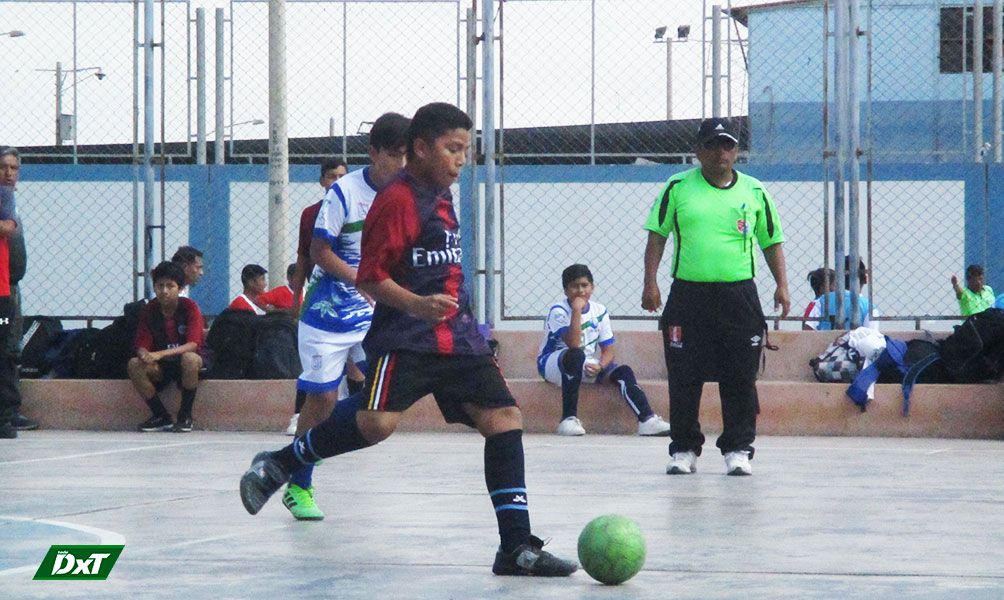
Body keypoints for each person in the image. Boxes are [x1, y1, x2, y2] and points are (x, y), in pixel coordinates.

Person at [239, 102, 578, 577]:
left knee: (504, 418)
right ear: (420, 149)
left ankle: (516, 547)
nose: (462, 159)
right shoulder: (396, 201)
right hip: (408, 336)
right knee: (376, 424)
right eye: (452, 149)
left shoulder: (441, 195)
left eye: (467, 150)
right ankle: (278, 463)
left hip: (457, 338)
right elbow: (371, 279)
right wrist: (417, 305)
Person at [641, 117, 790, 477]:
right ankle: (684, 449)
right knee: (684, 375)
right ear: (698, 151)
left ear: (736, 151)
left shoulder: (754, 192)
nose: (721, 152)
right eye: (713, 145)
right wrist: (651, 281)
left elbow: (771, 241)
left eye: (728, 145)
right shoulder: (677, 187)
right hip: (688, 294)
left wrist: (782, 285)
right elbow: (657, 236)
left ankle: (738, 449)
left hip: (739, 295)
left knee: (740, 375)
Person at [281, 112, 409, 520]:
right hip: (328, 312)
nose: (402, 165)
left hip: (375, 312)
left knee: (381, 395)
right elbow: (320, 252)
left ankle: (299, 454)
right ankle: (297, 483)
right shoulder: (344, 194)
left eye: (409, 156)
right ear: (373, 154)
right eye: (395, 156)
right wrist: (362, 279)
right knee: (321, 397)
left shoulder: (412, 195)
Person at [538, 263, 670, 437]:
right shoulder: (559, 311)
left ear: (592, 287)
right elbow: (573, 343)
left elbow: (608, 350)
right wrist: (576, 310)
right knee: (575, 355)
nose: (580, 290)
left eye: (584, 285)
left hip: (583, 361)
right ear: (565, 290)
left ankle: (647, 420)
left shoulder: (600, 311)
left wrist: (600, 366)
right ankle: (568, 419)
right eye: (574, 286)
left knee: (623, 371)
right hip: (553, 363)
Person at [285, 157, 352, 436]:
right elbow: (304, 256)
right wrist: (296, 295)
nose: (337, 181)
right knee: (316, 367)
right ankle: (299, 415)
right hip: (322, 296)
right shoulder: (312, 213)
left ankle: (351, 418)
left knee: (359, 366)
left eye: (342, 176)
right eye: (332, 177)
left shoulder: (357, 208)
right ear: (322, 181)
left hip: (355, 294)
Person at [128, 261, 206, 433]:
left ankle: (185, 416)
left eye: (170, 286)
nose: (164, 291)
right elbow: (142, 344)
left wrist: (159, 354)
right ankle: (161, 416)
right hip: (162, 367)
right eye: (159, 286)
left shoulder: (190, 308)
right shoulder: (150, 310)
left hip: (184, 364)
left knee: (190, 359)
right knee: (134, 364)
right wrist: (144, 354)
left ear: (179, 288)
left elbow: (193, 345)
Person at [1, 146, 37, 434]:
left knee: (11, 349)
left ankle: (10, 410)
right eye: (3, 167)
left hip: (11, 287)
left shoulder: (10, 202)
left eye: (13, 168)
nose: (8, 174)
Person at [803, 257, 877, 330]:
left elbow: (807, 333)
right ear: (865, 279)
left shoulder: (822, 302)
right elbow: (872, 337)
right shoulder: (869, 307)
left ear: (839, 278)